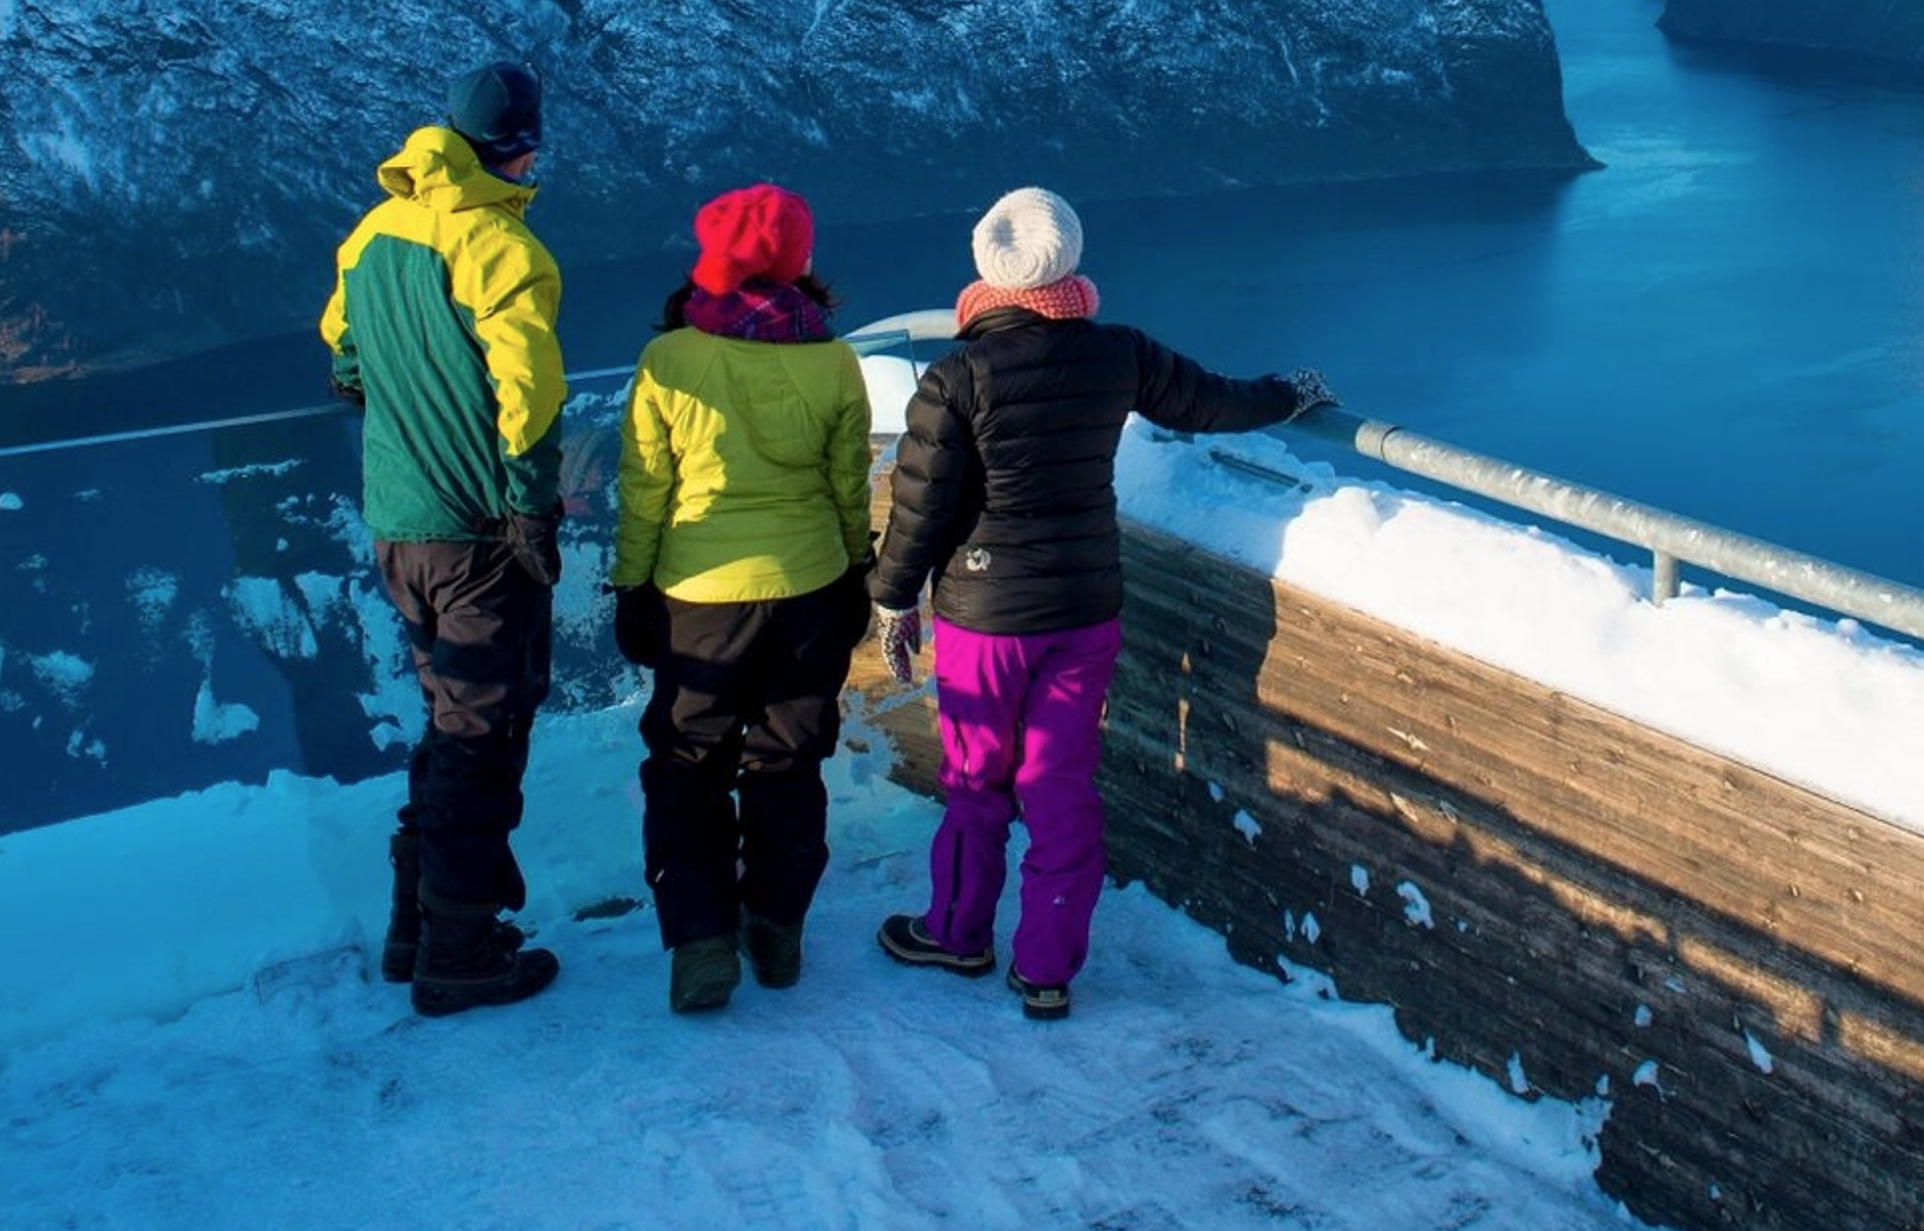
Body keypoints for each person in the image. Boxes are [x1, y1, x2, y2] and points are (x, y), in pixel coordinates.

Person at [870, 186, 1327, 1020]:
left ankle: (957, 933)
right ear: (1068, 259)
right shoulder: (1117, 353)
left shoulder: (957, 373)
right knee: (1061, 785)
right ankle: (1046, 970)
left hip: (985, 616)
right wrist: (1286, 393)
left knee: (977, 780)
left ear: (986, 269)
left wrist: (895, 600)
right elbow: (1213, 402)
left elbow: (921, 504)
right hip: (1084, 610)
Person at [320, 61, 569, 1018]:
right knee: (485, 735)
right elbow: (530, 395)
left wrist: (383, 391)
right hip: (477, 533)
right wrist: (530, 506)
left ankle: (413, 926)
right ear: (515, 148)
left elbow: (340, 347)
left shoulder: (373, 232)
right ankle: (460, 951)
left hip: (399, 527)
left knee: (447, 720)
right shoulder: (501, 249)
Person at [609, 182, 876, 1013]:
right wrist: (855, 574)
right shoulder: (832, 358)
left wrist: (632, 587)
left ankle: (701, 944)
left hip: (699, 597)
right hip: (809, 588)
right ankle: (777, 930)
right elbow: (847, 485)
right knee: (788, 760)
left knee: (688, 764)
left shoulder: (671, 361)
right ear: (800, 261)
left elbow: (646, 489)